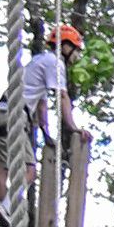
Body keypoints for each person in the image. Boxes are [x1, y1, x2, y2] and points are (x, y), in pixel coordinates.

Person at [20, 23, 79, 155]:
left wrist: (46, 134)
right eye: (76, 50)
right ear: (66, 46)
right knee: (29, 170)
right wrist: (73, 128)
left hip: (2, 112)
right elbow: (62, 96)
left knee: (4, 165)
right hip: (15, 115)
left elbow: (42, 105)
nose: (77, 56)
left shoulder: (41, 60)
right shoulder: (55, 63)